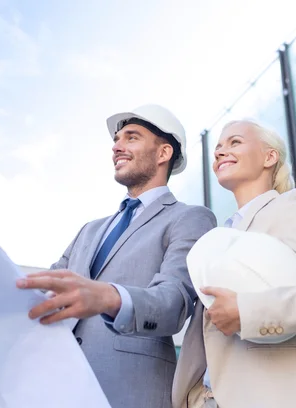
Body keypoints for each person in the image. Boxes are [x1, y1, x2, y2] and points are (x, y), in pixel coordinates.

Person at [16, 104, 217, 408]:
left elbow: (173, 302)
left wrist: (109, 298)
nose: (117, 147)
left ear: (163, 153)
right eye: (116, 140)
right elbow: (44, 291)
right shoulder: (89, 230)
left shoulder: (189, 219)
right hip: (59, 388)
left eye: (131, 138)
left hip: (132, 392)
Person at [172, 119, 296, 408]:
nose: (219, 152)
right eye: (217, 148)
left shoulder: (292, 207)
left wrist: (248, 311)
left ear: (270, 157)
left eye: (234, 142)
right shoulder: (220, 235)